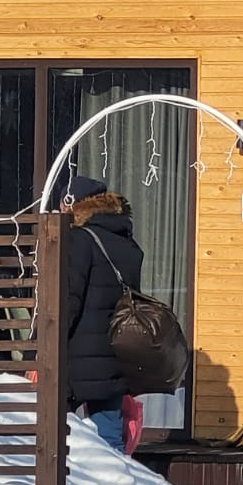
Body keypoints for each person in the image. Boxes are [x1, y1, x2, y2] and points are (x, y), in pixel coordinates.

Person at [62, 174, 144, 453]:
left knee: (60, 437)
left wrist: (40, 345)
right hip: (116, 356)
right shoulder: (127, 242)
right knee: (110, 438)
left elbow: (68, 300)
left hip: (76, 358)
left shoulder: (80, 239)